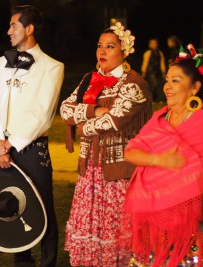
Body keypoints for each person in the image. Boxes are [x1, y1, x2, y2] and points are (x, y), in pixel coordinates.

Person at [120, 44, 203, 267]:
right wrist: (160, 160)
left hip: (196, 210)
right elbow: (131, 151)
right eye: (167, 80)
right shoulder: (159, 118)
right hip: (157, 212)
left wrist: (153, 170)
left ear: (194, 88)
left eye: (175, 81)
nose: (167, 86)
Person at [60, 21, 152, 266]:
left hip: (119, 170)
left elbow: (115, 121)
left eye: (110, 46)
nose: (102, 51)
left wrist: (84, 126)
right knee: (91, 226)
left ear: (124, 51)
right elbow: (65, 109)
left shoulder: (134, 83)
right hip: (91, 168)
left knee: (119, 229)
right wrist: (96, 109)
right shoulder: (89, 80)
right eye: (99, 46)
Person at [0, 5, 64, 267]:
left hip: (31, 149)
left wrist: (13, 142)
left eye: (14, 26)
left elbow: (43, 113)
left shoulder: (52, 67)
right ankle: (22, 262)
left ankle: (49, 261)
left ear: (29, 29)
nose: (9, 31)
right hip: (4, 149)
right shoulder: (2, 62)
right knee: (13, 204)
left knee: (42, 208)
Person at [141, 38, 167, 103]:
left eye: (155, 43)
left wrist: (163, 72)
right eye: (152, 43)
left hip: (158, 72)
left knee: (158, 85)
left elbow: (162, 63)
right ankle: (151, 99)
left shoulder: (160, 53)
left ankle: (158, 99)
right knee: (153, 84)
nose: (154, 44)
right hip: (150, 72)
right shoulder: (147, 53)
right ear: (149, 45)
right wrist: (143, 72)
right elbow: (145, 62)